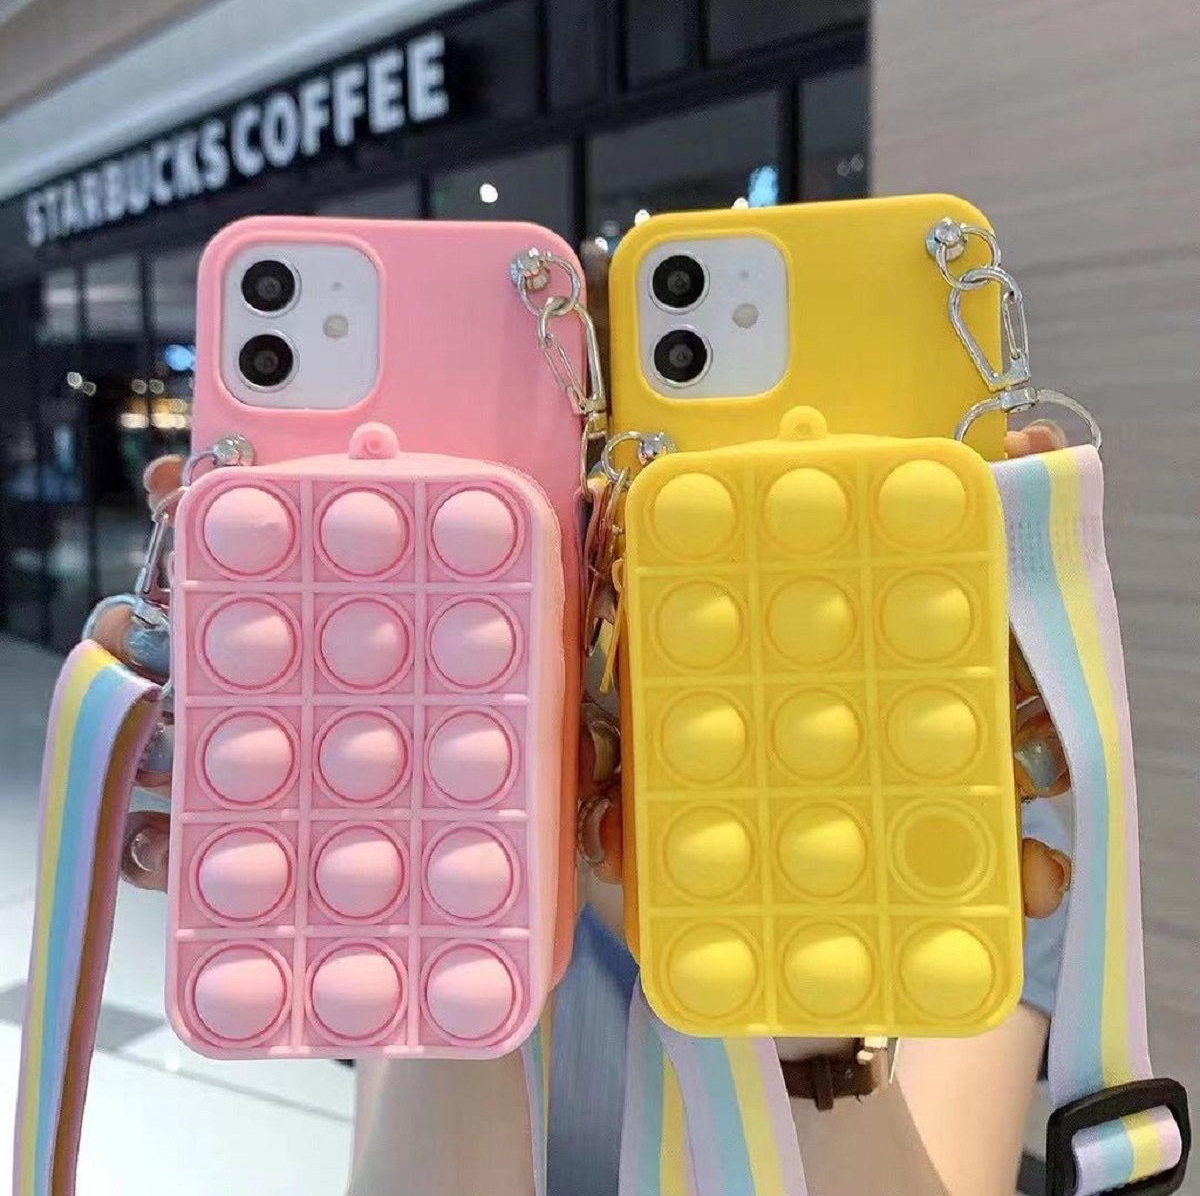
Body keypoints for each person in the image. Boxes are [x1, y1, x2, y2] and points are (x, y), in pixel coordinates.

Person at [91, 244, 1073, 1196]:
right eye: (579, 493)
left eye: (655, 489)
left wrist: (808, 1012)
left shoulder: (969, 804)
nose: (611, 558)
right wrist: (477, 888)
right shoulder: (413, 815)